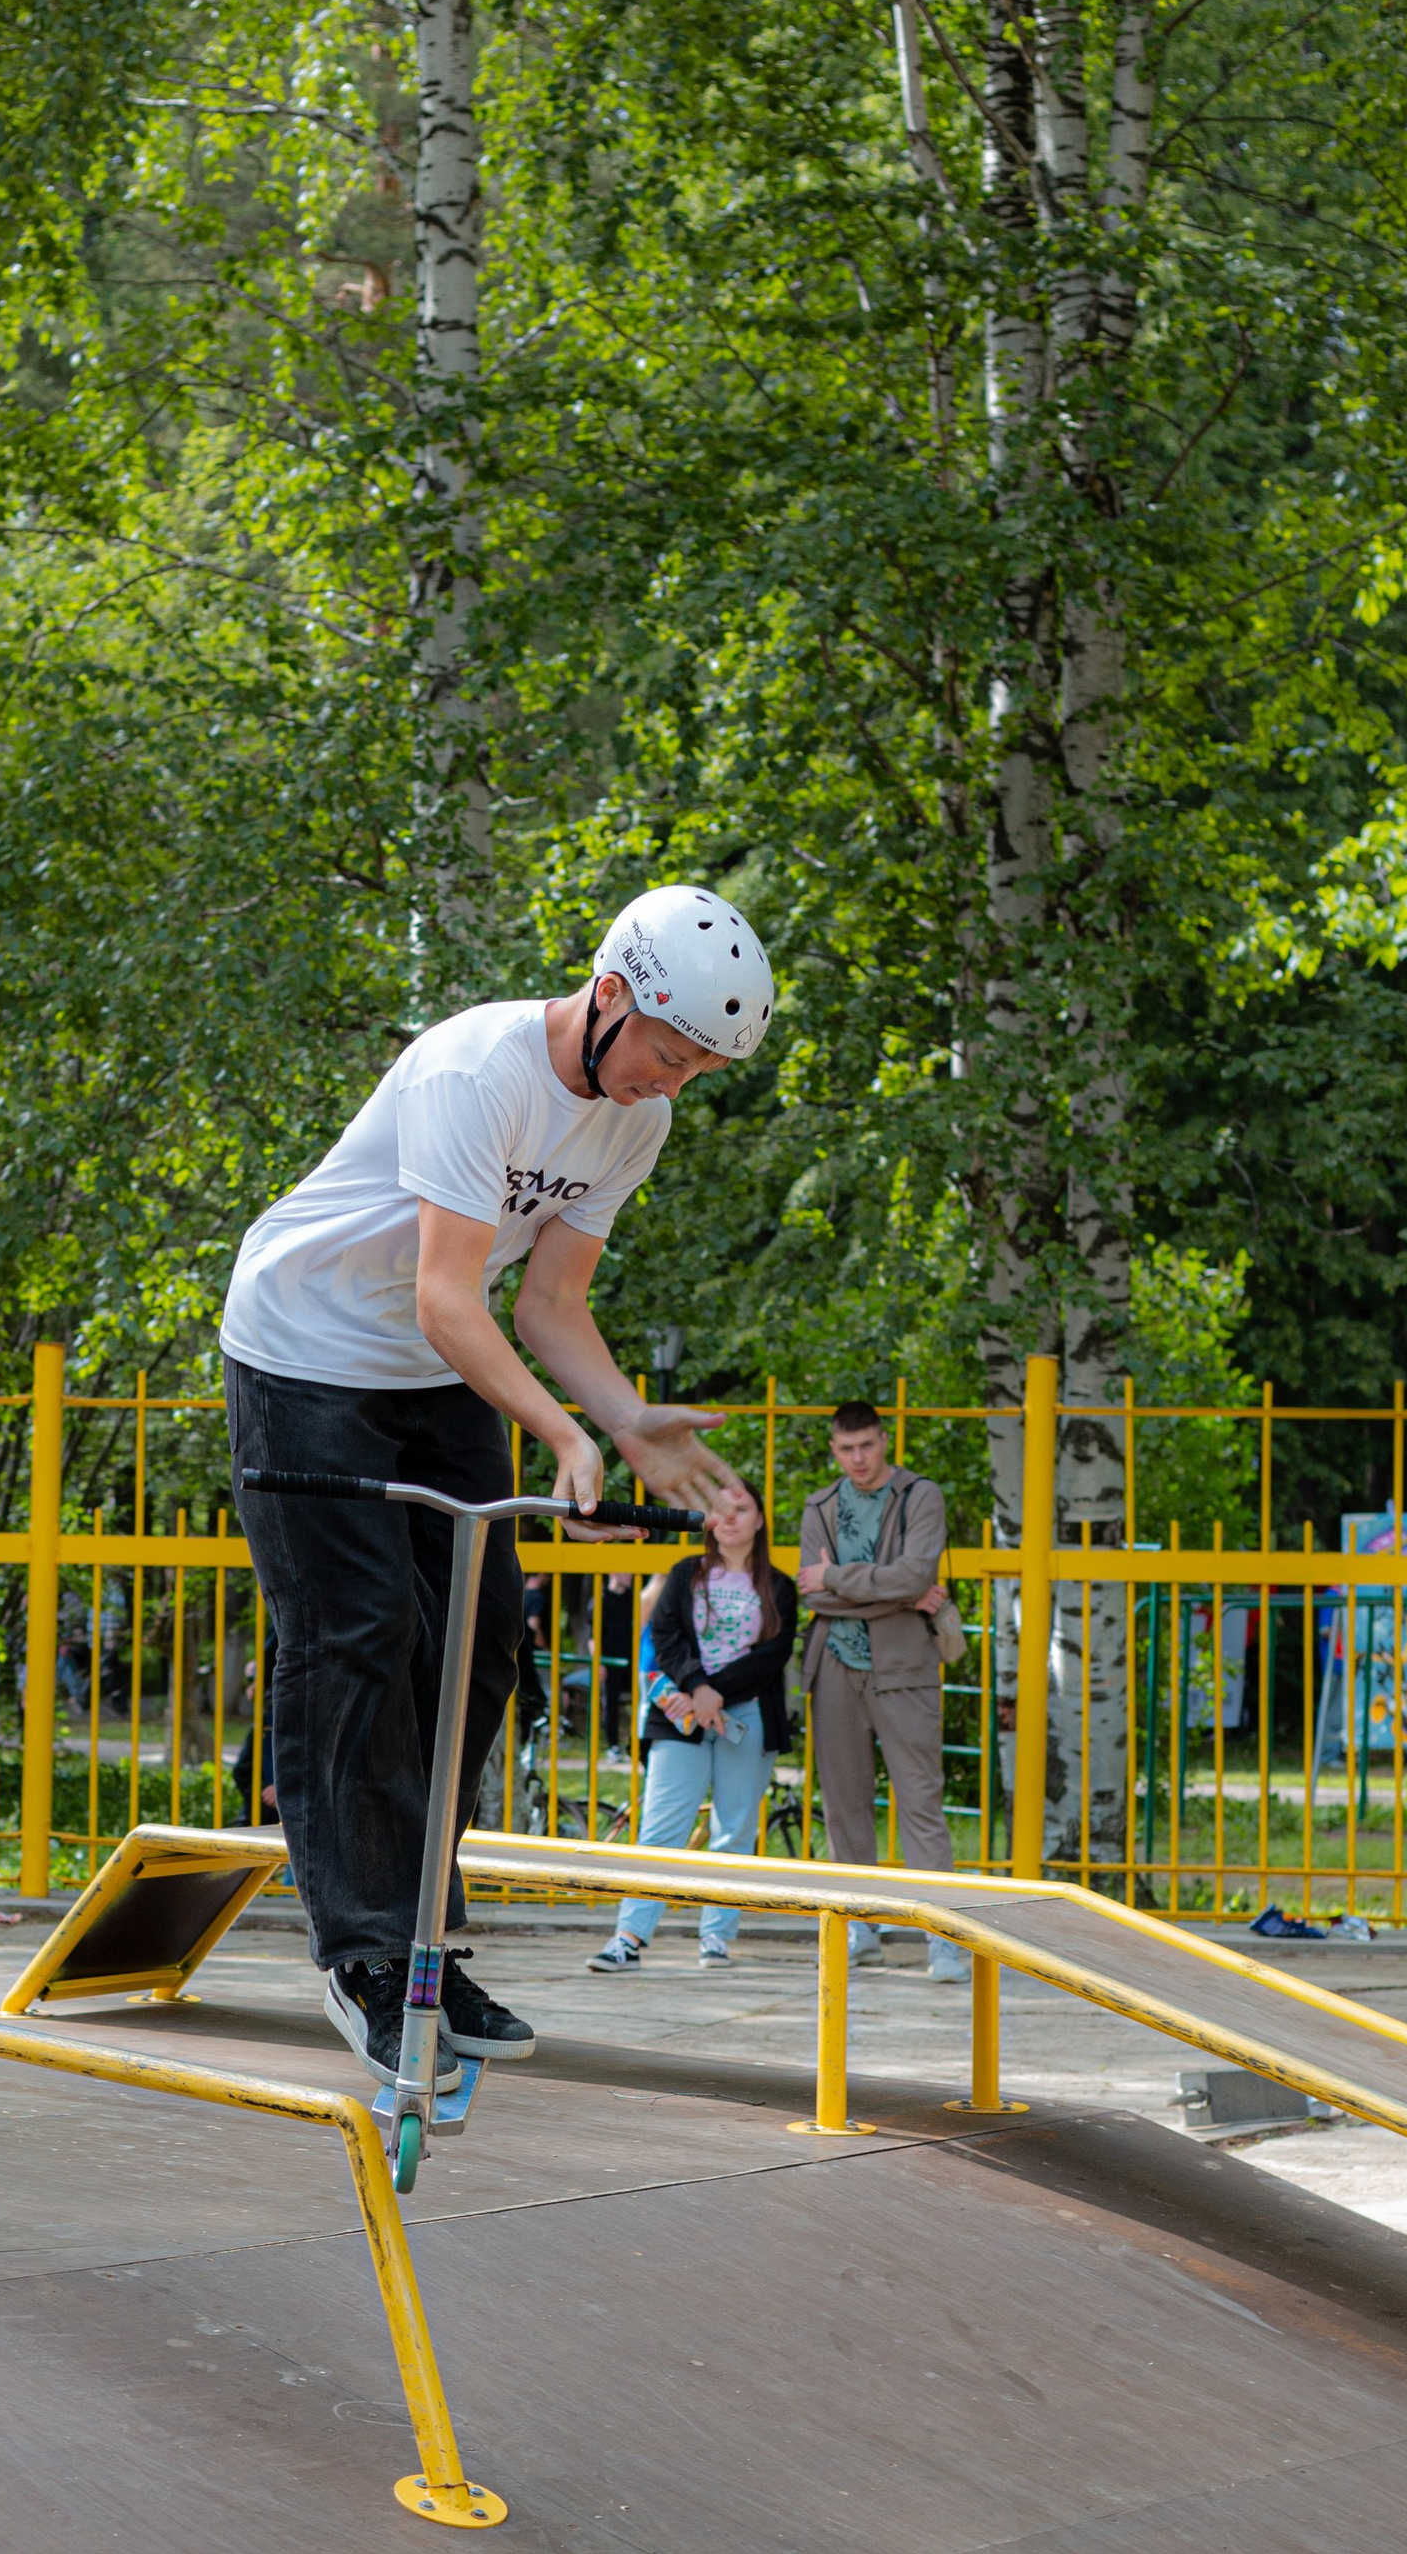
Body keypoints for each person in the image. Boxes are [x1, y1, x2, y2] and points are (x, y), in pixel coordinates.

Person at [223, 884, 777, 2092]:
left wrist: (623, 1420)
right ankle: (361, 1953)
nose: (670, 1085)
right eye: (667, 1055)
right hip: (303, 1354)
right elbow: (446, 1292)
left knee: (479, 1647)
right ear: (611, 997)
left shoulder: (635, 1122)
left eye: (696, 1073)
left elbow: (550, 1305)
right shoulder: (474, 1069)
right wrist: (558, 1435)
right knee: (358, 1634)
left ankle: (423, 1938)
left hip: (433, 1371)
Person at [589, 1477, 796, 1968]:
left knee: (734, 1832)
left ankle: (717, 1938)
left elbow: (773, 1655)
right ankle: (629, 1939)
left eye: (741, 1509)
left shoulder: (779, 1587)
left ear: (760, 1520)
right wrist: (697, 1688)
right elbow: (664, 1635)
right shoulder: (685, 1574)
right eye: (719, 1509)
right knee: (661, 1828)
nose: (729, 1518)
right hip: (681, 1711)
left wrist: (716, 1694)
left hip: (745, 1715)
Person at [796, 1401, 969, 1982]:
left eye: (867, 1445)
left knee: (920, 1802)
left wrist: (839, 1578)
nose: (858, 1459)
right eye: (846, 1449)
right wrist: (894, 1591)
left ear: (883, 1441)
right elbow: (812, 1595)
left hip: (905, 1669)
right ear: (833, 1450)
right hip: (834, 1668)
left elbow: (915, 1575)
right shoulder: (819, 1506)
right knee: (845, 1808)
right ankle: (861, 1928)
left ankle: (944, 1939)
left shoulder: (921, 1495)